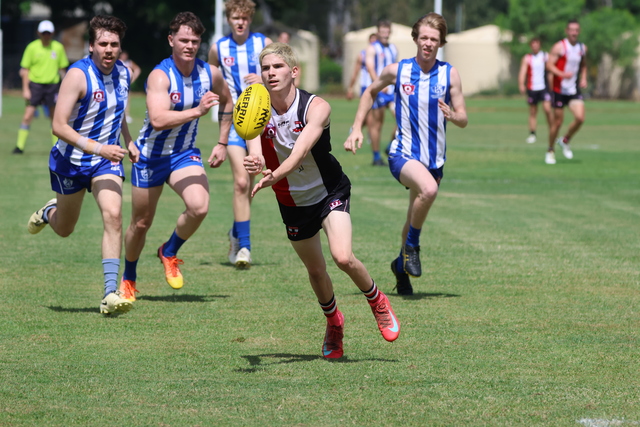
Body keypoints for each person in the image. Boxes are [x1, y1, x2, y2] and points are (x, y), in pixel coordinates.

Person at [243, 42, 400, 359]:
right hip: (291, 200)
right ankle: (334, 323)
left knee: (342, 257)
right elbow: (254, 144)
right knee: (316, 271)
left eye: (278, 67)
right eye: (266, 68)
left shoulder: (316, 107)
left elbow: (299, 152)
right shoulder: (255, 107)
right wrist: (255, 161)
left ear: (294, 72)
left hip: (328, 190)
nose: (271, 73)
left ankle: (377, 300)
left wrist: (274, 174)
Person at [345, 13, 468, 296]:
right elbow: (370, 92)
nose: (428, 43)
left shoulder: (449, 74)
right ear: (416, 39)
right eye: (424, 37)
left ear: (441, 43)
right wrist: (356, 128)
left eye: (434, 39)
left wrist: (453, 115)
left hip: (434, 160)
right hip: (402, 153)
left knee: (414, 213)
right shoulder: (398, 70)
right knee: (429, 190)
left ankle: (400, 268)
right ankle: (412, 247)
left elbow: (463, 118)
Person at [119, 12, 233, 301]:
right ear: (171, 40)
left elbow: (228, 100)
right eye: (184, 40)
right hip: (149, 156)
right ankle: (129, 277)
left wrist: (222, 142)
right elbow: (158, 119)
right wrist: (197, 111)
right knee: (141, 223)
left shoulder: (210, 73)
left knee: (199, 207)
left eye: (195, 41)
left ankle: (168, 251)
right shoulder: (160, 76)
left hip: (183, 154)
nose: (189, 46)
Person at [27, 15, 136, 315]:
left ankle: (109, 293)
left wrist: (129, 141)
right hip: (70, 162)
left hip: (106, 163)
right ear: (91, 46)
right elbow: (58, 125)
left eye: (114, 44)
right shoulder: (77, 75)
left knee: (114, 215)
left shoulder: (124, 73)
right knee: (65, 229)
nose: (109, 49)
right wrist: (99, 147)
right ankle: (49, 212)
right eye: (103, 43)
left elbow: (118, 113)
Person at [208, 0, 272, 269]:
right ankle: (244, 246)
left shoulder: (263, 43)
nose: (240, 22)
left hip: (261, 123)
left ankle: (236, 233)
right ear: (228, 19)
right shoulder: (218, 48)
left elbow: (286, 75)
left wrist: (264, 79)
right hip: (235, 123)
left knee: (250, 183)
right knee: (241, 183)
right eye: (236, 17)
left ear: (250, 19)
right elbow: (211, 77)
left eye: (245, 17)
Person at [13, 19, 69, 154]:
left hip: (52, 86)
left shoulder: (58, 47)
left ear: (52, 33)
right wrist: (26, 89)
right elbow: (25, 70)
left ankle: (56, 147)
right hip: (35, 85)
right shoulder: (32, 47)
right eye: (44, 33)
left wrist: (65, 88)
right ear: (39, 33)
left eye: (48, 33)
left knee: (54, 117)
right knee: (28, 116)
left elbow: (63, 70)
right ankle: (19, 146)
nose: (46, 36)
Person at [545, 19, 588, 165]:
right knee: (557, 123)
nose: (574, 33)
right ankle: (550, 150)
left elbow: (584, 65)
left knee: (580, 118)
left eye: (576, 30)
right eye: (571, 30)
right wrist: (562, 74)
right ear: (567, 31)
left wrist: (584, 78)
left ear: (579, 31)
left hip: (574, 90)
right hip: (559, 90)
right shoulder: (559, 47)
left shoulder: (582, 48)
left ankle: (565, 140)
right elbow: (549, 65)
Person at [365, 20, 398, 166]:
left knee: (403, 119)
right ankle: (376, 157)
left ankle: (391, 146)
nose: (385, 34)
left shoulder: (393, 48)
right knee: (377, 124)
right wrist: (378, 84)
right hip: (380, 91)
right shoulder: (372, 48)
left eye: (387, 31)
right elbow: (370, 67)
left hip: (392, 91)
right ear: (378, 32)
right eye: (382, 31)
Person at [518, 37, 552, 144]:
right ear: (530, 46)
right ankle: (532, 134)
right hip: (532, 88)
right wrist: (521, 84)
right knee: (533, 112)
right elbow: (523, 72)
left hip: (544, 88)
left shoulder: (546, 56)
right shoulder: (527, 58)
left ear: (539, 45)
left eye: (536, 44)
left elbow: (551, 70)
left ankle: (553, 132)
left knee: (547, 110)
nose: (535, 46)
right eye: (533, 44)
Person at [119, 50, 141, 123]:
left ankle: (127, 115)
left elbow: (137, 69)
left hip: (126, 84)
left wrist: (133, 78)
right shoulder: (118, 62)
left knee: (127, 99)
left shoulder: (129, 62)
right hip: (118, 84)